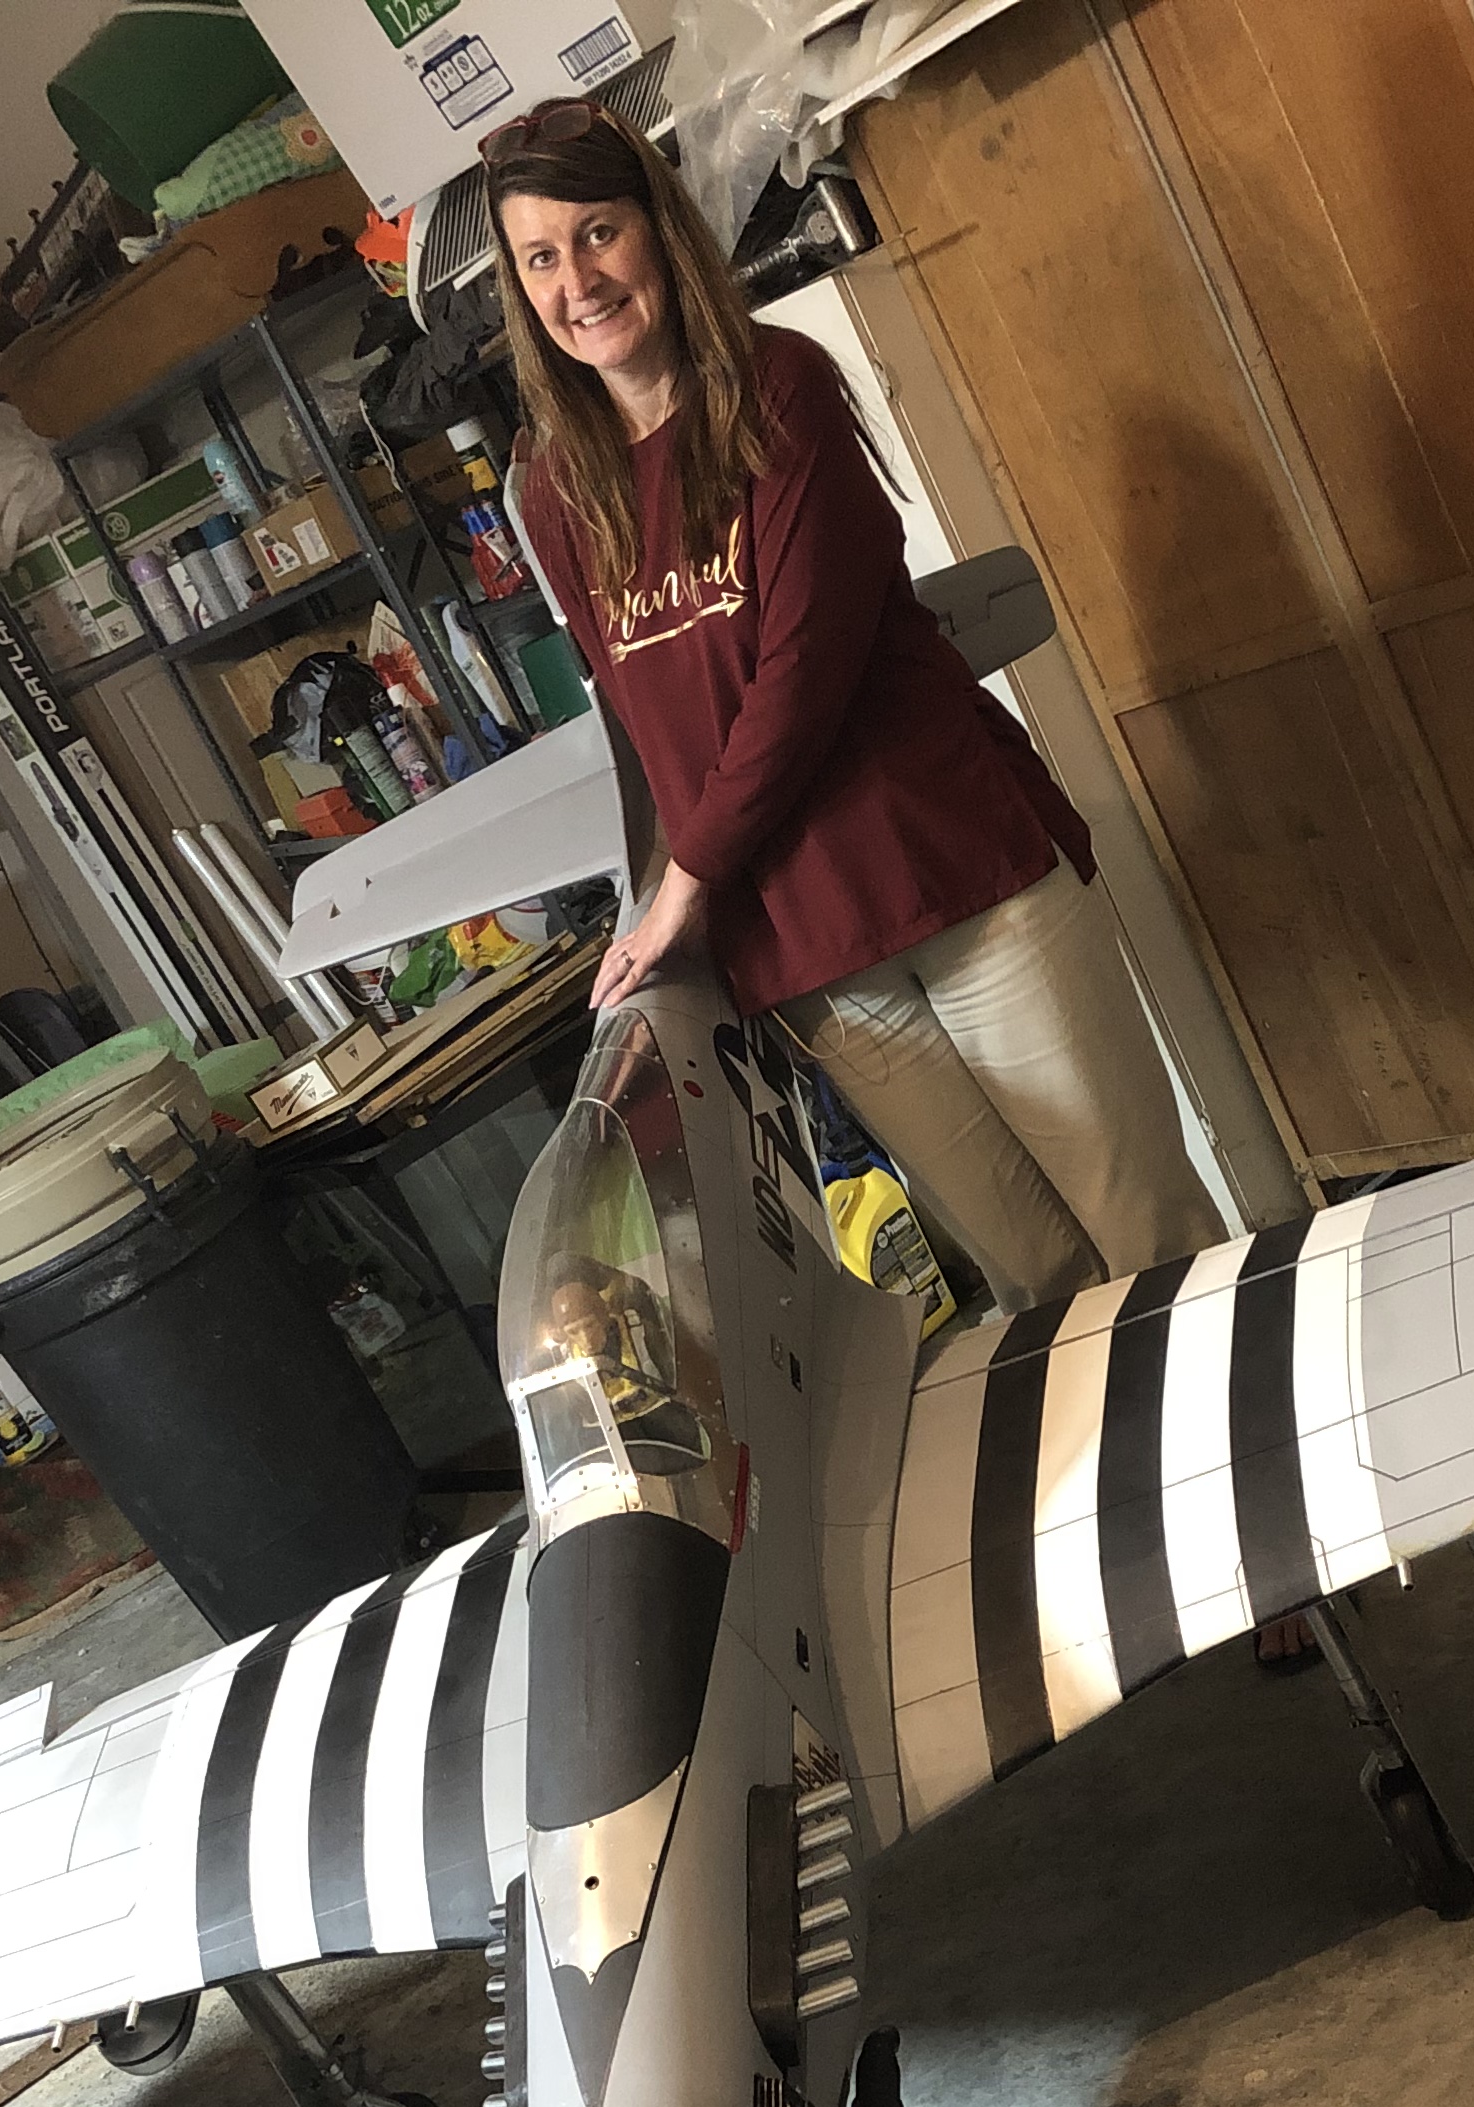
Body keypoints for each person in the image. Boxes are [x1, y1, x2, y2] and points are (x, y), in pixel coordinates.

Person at [482, 101, 1223, 1310]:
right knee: (1036, 1278)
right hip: (815, 958)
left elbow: (802, 669)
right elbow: (650, 732)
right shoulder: (560, 494)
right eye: (542, 257)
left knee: (1149, 1230)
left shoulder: (779, 389)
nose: (580, 282)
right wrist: (678, 920)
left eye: (599, 233)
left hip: (958, 877)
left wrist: (687, 887)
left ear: (657, 231)